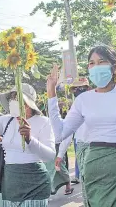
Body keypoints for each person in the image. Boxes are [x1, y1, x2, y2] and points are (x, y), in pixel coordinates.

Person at [47, 45, 116, 206]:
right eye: (91, 63)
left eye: (101, 62)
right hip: (95, 170)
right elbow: (60, 133)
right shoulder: (83, 100)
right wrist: (51, 93)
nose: (96, 67)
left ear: (114, 66)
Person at [48, 77, 90, 206]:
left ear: (88, 88)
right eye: (76, 89)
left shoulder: (97, 102)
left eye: (81, 88)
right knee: (87, 181)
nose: (78, 91)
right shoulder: (75, 108)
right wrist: (60, 154)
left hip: (101, 146)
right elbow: (66, 133)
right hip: (82, 147)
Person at [45, 100, 74, 196]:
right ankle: (49, 189)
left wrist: (61, 152)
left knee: (60, 167)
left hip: (59, 147)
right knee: (49, 168)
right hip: (50, 147)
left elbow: (67, 138)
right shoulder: (47, 122)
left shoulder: (65, 122)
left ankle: (68, 185)